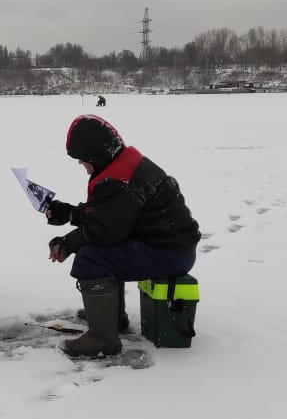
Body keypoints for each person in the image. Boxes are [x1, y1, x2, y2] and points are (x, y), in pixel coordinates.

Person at [46, 114, 200, 356]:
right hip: (168, 246)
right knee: (99, 251)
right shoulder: (126, 165)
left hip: (169, 253)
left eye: (82, 159)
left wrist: (68, 242)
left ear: (96, 155)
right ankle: (110, 318)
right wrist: (69, 213)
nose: (81, 165)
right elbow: (110, 214)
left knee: (91, 258)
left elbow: (105, 230)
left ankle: (102, 340)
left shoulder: (119, 179)